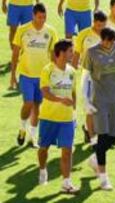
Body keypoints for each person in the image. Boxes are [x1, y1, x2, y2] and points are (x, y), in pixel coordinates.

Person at [82, 28, 115, 190]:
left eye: (113, 41)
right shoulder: (91, 53)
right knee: (103, 137)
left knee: (112, 139)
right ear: (102, 39)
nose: (110, 44)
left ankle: (94, 158)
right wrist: (85, 100)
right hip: (99, 100)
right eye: (107, 41)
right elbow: (85, 77)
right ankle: (104, 178)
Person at [11, 3, 58, 148]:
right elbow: (15, 53)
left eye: (44, 17)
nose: (42, 20)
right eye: (39, 17)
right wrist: (13, 75)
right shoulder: (23, 30)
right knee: (28, 103)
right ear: (33, 15)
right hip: (26, 73)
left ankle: (32, 137)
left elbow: (53, 55)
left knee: (37, 106)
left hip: (43, 76)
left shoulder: (51, 32)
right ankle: (22, 128)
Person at [38, 39, 79, 194]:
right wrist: (62, 100)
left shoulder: (72, 71)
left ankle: (66, 183)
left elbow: (73, 92)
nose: (73, 54)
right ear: (61, 53)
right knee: (43, 148)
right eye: (70, 51)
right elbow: (45, 92)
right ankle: (42, 169)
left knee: (67, 150)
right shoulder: (47, 70)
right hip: (48, 117)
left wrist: (74, 112)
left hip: (67, 119)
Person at [71, 10, 107, 145]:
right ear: (94, 22)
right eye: (98, 25)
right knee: (90, 108)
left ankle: (88, 129)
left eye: (103, 25)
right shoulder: (83, 35)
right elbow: (76, 55)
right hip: (89, 77)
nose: (101, 29)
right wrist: (72, 75)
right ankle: (93, 139)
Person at [2, 0, 38, 66]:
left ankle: (25, 55)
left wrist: (38, 3)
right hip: (14, 5)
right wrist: (3, 3)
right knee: (13, 31)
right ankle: (14, 55)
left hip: (28, 6)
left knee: (27, 32)